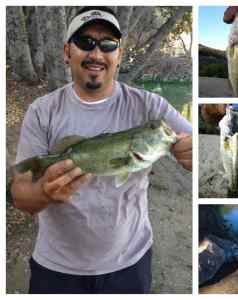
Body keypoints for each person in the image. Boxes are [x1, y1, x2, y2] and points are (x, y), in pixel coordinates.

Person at [10, 6, 192, 294]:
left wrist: (193, 153)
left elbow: (204, 156)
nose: (96, 54)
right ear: (67, 51)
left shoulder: (150, 108)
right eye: (85, 43)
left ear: (118, 55)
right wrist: (43, 193)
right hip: (57, 267)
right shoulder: (42, 111)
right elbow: (20, 196)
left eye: (108, 44)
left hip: (130, 263)